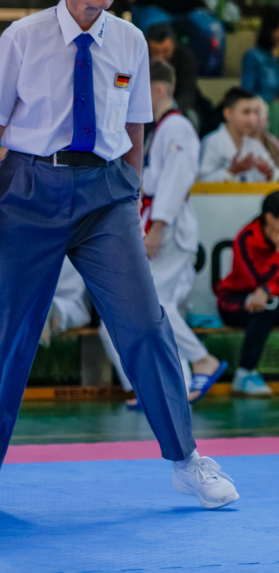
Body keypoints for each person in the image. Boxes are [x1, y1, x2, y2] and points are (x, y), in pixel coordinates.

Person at [0, 0, 237, 508]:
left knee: (145, 323)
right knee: (9, 335)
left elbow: (136, 123)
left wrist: (129, 186)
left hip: (106, 193)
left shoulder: (131, 41)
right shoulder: (21, 39)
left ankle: (186, 459)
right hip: (29, 188)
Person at [99, 60, 227, 407]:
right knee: (140, 308)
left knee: (155, 306)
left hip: (167, 227)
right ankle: (157, 386)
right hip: (151, 221)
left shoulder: (178, 128)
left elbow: (175, 182)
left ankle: (202, 361)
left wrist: (157, 227)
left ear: (158, 88)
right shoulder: (159, 129)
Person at [216, 190, 279, 396]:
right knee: (266, 307)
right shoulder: (246, 238)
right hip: (235, 301)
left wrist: (267, 291)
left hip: (271, 298)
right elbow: (255, 281)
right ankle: (245, 373)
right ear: (270, 218)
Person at [242, 9, 279, 149]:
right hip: (263, 103)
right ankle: (271, 157)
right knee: (276, 108)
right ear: (274, 31)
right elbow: (246, 91)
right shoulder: (254, 56)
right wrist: (271, 99)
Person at [145, 22, 214, 136]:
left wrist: (171, 110)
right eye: (156, 52)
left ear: (173, 45)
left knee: (193, 116)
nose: (161, 56)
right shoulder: (142, 58)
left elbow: (188, 91)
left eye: (166, 51)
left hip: (178, 103)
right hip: (150, 103)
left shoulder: (185, 57)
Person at [199, 87, 279, 182]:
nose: (252, 119)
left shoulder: (255, 145)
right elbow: (200, 180)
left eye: (255, 112)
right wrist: (230, 172)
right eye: (246, 112)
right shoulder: (212, 142)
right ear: (228, 114)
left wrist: (270, 174)